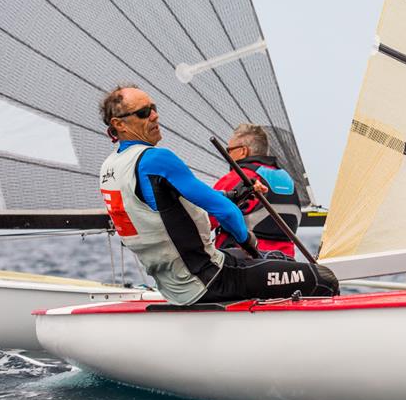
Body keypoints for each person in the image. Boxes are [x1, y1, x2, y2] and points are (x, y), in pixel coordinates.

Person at [98, 85, 338, 305]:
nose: (154, 115)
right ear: (119, 124)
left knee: (276, 260)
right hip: (211, 280)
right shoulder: (157, 159)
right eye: (144, 112)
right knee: (323, 279)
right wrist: (250, 245)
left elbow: (170, 207)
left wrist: (234, 195)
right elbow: (225, 211)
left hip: (174, 285)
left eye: (154, 108)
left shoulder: (109, 168)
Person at [213, 124, 301, 258]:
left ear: (243, 151)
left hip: (243, 261)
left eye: (229, 150)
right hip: (285, 261)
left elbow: (204, 220)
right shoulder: (287, 178)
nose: (227, 154)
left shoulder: (237, 177)